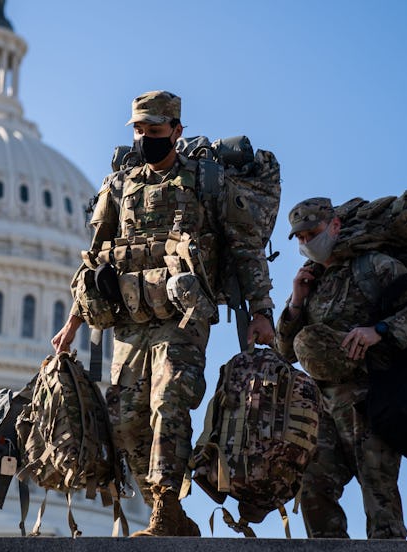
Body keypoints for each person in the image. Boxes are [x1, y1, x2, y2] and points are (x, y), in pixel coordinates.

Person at [51, 90, 276, 536]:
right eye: (139, 130)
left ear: (176, 130)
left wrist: (261, 311)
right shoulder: (119, 186)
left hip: (183, 317)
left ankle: (166, 502)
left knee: (169, 400)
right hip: (129, 318)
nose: (146, 138)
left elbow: (245, 249)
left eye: (155, 130)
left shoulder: (208, 183)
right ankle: (168, 512)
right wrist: (73, 321)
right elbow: (95, 258)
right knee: (124, 419)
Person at [274, 197, 407, 539]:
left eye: (313, 233)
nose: (307, 243)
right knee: (313, 488)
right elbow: (287, 351)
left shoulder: (373, 265)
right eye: (301, 238)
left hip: (372, 398)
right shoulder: (315, 282)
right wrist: (296, 299)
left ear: (335, 226)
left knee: (379, 499)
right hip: (325, 407)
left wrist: (378, 331)